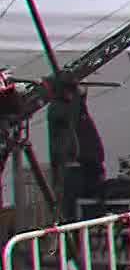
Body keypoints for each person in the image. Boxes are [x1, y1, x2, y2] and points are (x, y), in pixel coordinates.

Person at [47, 80, 104, 223]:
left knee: (91, 207)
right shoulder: (57, 109)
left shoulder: (78, 110)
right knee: (73, 212)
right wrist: (79, 97)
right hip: (71, 170)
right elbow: (70, 116)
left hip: (87, 167)